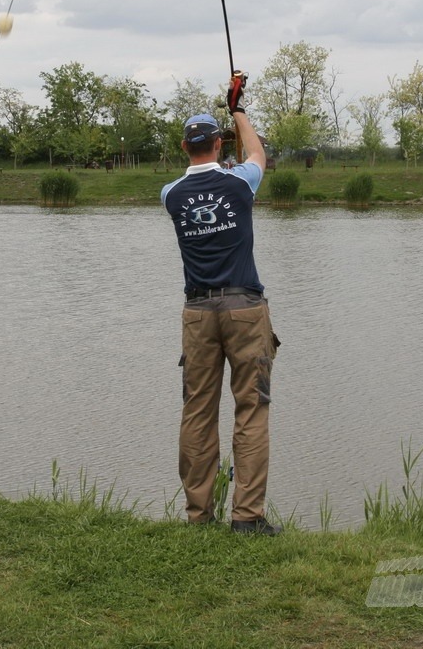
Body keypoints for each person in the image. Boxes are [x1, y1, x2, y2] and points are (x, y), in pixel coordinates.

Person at [161, 75, 281, 535]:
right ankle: (247, 518)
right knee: (250, 409)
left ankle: (198, 515)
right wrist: (238, 110)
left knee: (197, 410)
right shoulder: (240, 183)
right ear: (216, 142)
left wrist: (228, 124)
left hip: (197, 313)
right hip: (245, 309)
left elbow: (239, 164)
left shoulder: (171, 195)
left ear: (184, 147)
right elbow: (258, 155)